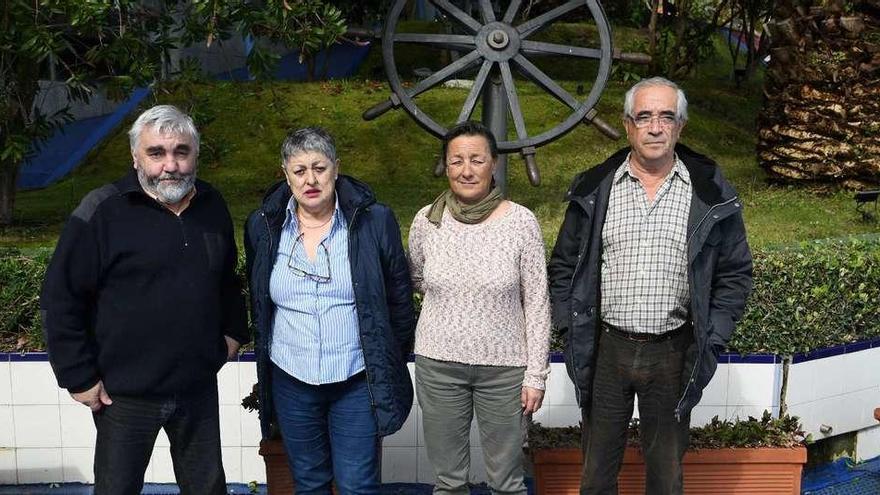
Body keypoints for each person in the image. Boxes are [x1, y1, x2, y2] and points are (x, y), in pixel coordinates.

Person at [548, 77, 753, 494]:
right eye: (644, 116)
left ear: (681, 126)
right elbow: (563, 268)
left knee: (665, 478)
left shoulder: (710, 193)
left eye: (666, 117)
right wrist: (570, 330)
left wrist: (712, 338)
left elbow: (734, 274)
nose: (655, 127)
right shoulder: (595, 189)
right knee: (597, 477)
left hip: (673, 352)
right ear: (628, 125)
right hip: (606, 351)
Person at [41, 105, 248, 495]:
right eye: (156, 153)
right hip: (123, 396)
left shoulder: (211, 205)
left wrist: (234, 332)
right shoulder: (102, 210)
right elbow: (61, 297)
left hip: (196, 388)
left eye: (181, 152)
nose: (170, 165)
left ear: (195, 155)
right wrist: (78, 377)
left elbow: (226, 279)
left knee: (208, 489)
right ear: (135, 157)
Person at [244, 127, 415, 494]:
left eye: (319, 168)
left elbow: (399, 300)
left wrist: (388, 358)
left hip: (355, 378)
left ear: (336, 168)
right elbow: (259, 300)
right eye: (299, 170)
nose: (310, 179)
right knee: (308, 483)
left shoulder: (374, 221)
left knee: (357, 485)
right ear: (285, 174)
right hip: (292, 379)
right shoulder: (263, 226)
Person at [408, 121, 551, 495]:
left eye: (476, 160)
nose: (466, 170)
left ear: (494, 164)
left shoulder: (522, 222)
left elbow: (537, 301)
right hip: (438, 366)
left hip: (504, 371)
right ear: (446, 165)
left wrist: (536, 374)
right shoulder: (426, 221)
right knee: (449, 482)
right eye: (457, 161)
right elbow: (417, 280)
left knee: (507, 482)